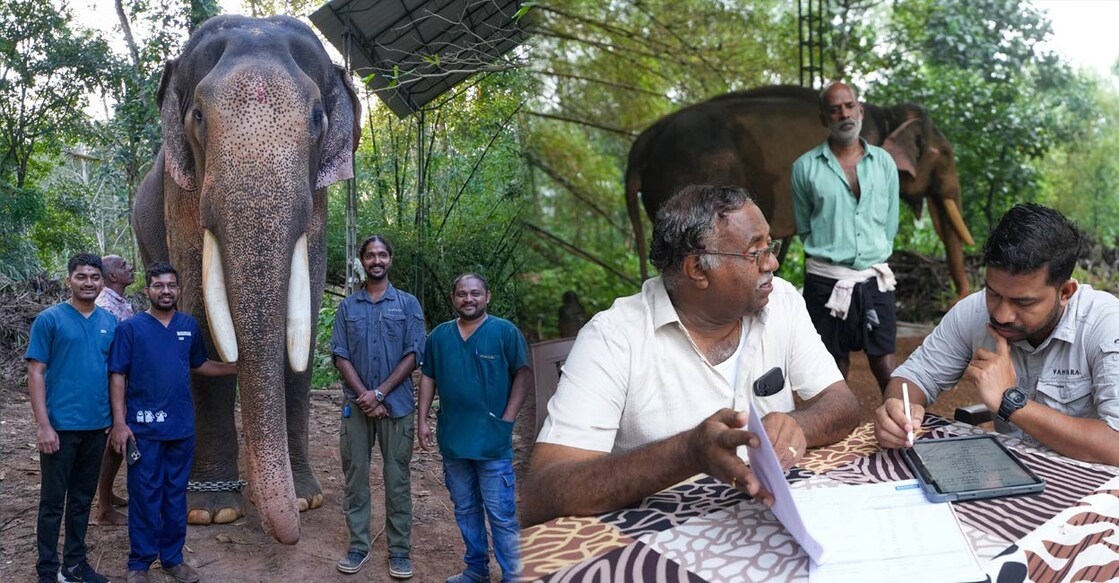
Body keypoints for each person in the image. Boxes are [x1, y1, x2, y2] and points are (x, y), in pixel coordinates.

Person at [522, 184, 861, 526]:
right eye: (754, 252)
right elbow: (544, 490)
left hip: (774, 522)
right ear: (698, 268)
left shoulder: (783, 302)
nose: (772, 262)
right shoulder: (613, 338)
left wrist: (798, 425)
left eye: (769, 246)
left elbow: (842, 403)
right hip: (657, 541)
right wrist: (686, 453)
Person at [875, 204, 1119, 465]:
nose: (1002, 314)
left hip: (1093, 490)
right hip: (1012, 474)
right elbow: (913, 378)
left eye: (1023, 303)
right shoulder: (973, 311)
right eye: (993, 292)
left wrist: (1012, 402)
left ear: (1065, 292)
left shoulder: (1105, 325)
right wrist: (897, 410)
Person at [108, 262, 237, 583]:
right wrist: (120, 423)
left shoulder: (188, 326)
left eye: (170, 286)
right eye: (158, 285)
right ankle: (139, 564)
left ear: (178, 290)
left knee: (175, 495)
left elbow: (200, 365)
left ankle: (173, 559)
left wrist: (238, 367)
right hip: (142, 429)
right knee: (144, 495)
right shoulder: (131, 328)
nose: (165, 291)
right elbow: (117, 375)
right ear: (147, 290)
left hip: (180, 429)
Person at [418, 273, 532, 583]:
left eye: (476, 294)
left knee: (501, 515)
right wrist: (422, 419)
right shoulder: (439, 336)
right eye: (462, 294)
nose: (469, 299)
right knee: (466, 509)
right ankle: (476, 570)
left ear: (487, 296)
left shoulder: (505, 332)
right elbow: (429, 376)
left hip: (492, 442)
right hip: (454, 440)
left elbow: (522, 374)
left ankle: (514, 575)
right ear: (453, 298)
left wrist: (508, 418)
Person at [792, 81, 900, 391]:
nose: (844, 114)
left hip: (874, 277)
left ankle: (901, 435)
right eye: (835, 109)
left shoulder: (884, 163)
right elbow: (804, 226)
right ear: (824, 117)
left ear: (860, 110)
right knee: (832, 364)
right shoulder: (804, 168)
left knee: (884, 362)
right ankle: (838, 434)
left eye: (849, 106)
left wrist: (870, 253)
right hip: (826, 278)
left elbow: (889, 223)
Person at [332, 235, 426, 578]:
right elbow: (340, 354)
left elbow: (414, 353)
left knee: (396, 479)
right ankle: (358, 545)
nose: (376, 260)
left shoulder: (408, 304)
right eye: (370, 255)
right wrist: (365, 397)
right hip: (357, 408)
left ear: (391, 259)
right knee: (355, 477)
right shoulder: (348, 307)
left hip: (396, 407)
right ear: (363, 260)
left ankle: (400, 550)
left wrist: (381, 394)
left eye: (382, 254)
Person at [26, 253, 116, 583]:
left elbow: (115, 375)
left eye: (94, 277)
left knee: (81, 500)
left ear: (102, 282)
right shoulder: (50, 320)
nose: (88, 282)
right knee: (52, 502)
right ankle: (47, 571)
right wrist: (43, 425)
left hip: (96, 427)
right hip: (60, 428)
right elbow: (35, 372)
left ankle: (75, 565)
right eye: (81, 277)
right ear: (69, 281)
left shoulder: (110, 322)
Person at [94, 254, 136, 526]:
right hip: (111, 383)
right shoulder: (105, 307)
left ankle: (107, 494)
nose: (130, 267)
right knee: (113, 443)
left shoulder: (119, 303)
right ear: (111, 277)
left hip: (123, 381)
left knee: (119, 442)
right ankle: (104, 508)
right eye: (123, 266)